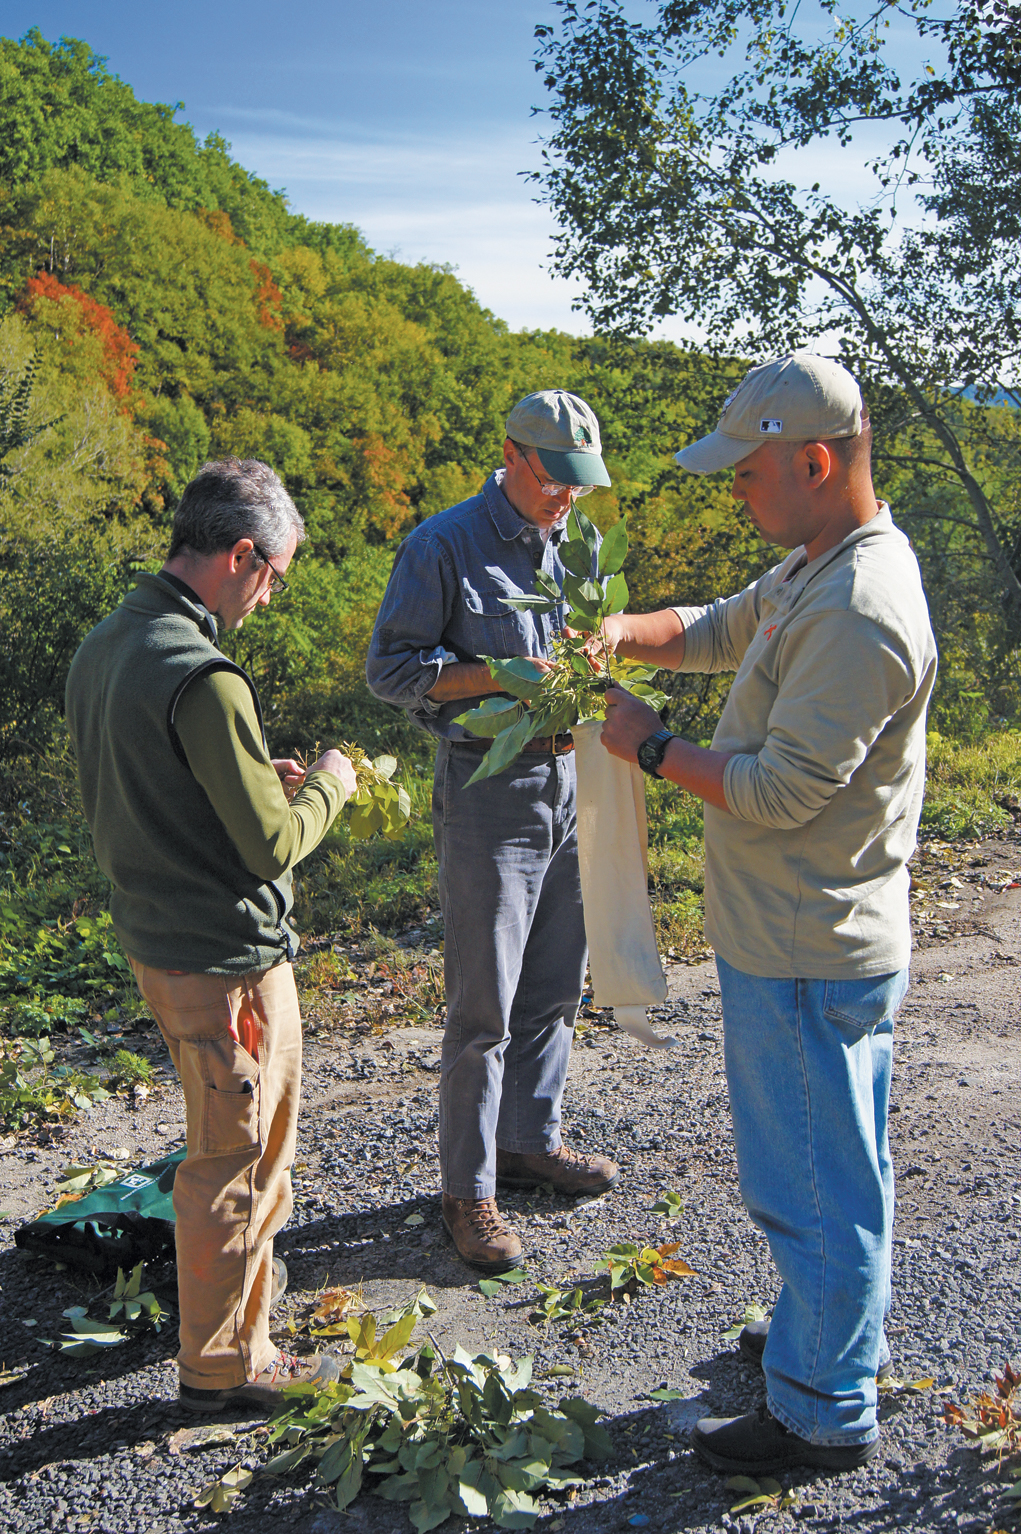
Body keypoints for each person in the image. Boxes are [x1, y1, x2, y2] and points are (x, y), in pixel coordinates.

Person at [598, 354, 937, 1474]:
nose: (734, 490)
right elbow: (721, 623)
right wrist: (624, 635)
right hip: (797, 932)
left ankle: (821, 1411)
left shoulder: (859, 606)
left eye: (746, 473)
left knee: (809, 1183)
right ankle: (818, 1338)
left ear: (814, 460)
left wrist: (647, 743)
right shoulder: (815, 562)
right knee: (833, 1165)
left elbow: (782, 789)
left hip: (806, 944)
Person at [65, 458, 358, 1413]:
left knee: (220, 1144)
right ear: (240, 555)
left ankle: (237, 1329)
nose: (271, 594)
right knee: (237, 1159)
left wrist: (245, 777)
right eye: (273, 574)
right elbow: (272, 846)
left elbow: (147, 785)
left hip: (157, 938)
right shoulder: (206, 674)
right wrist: (327, 787)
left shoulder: (112, 641)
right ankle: (227, 1365)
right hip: (225, 962)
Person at [366, 390, 620, 1272]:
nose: (566, 498)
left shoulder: (578, 540)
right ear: (511, 454)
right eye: (555, 480)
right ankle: (467, 1192)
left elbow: (595, 633)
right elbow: (391, 673)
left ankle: (528, 1143)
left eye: (579, 484)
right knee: (484, 1008)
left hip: (573, 777)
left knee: (555, 985)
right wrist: (495, 675)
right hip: (489, 793)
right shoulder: (442, 545)